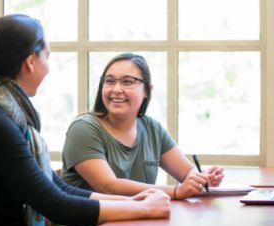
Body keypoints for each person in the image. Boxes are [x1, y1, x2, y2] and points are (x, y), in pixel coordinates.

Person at [0, 15, 170, 226]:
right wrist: (143, 208)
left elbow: (60, 188)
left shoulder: (0, 112)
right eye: (47, 57)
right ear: (30, 62)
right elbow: (53, 203)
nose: (48, 67)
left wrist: (134, 202)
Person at [61, 52, 225, 200]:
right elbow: (108, 186)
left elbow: (187, 172)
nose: (116, 89)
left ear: (147, 90)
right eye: (109, 81)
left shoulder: (152, 128)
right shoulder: (83, 129)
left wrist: (201, 178)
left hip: (135, 221)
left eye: (127, 82)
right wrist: (175, 191)